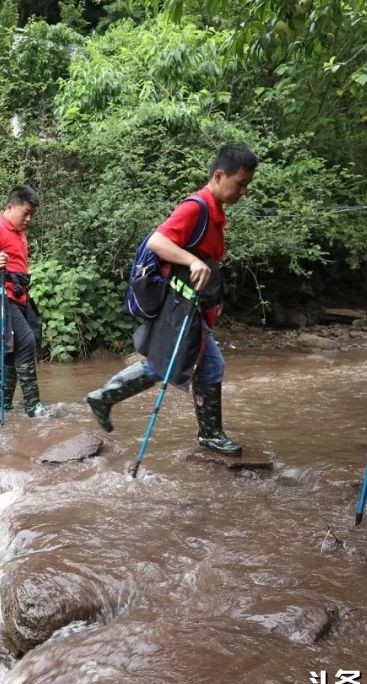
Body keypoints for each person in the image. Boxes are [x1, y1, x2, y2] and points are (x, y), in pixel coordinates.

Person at [85, 144, 259, 455]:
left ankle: (105, 397)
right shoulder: (197, 208)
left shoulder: (215, 212)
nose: (243, 191)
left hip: (190, 305)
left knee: (170, 365)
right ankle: (209, 434)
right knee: (203, 366)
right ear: (219, 176)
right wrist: (193, 263)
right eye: (241, 183)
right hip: (179, 306)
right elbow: (158, 241)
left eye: (247, 185)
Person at [0, 186, 49, 417]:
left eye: (32, 213)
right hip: (1, 297)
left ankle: (2, 406)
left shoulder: (19, 233)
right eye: (25, 212)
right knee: (26, 342)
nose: (29, 218)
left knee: (14, 349)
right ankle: (34, 407)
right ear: (10, 207)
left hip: (19, 295)